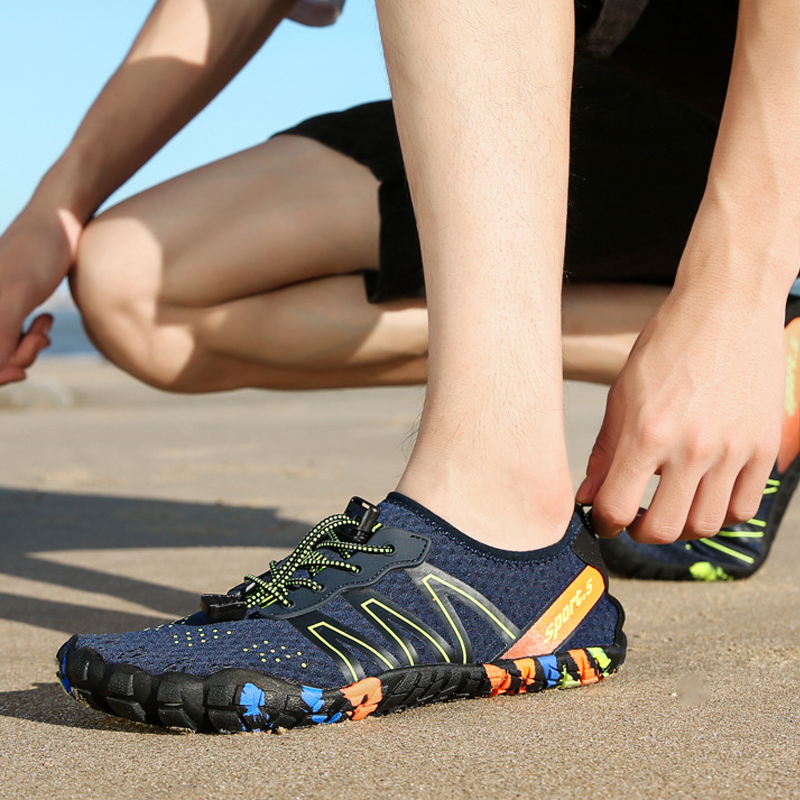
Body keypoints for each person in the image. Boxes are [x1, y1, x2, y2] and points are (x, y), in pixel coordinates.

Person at [7, 0, 798, 730]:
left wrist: (735, 293)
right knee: (134, 286)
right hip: (597, 87)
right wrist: (56, 208)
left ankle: (496, 518)